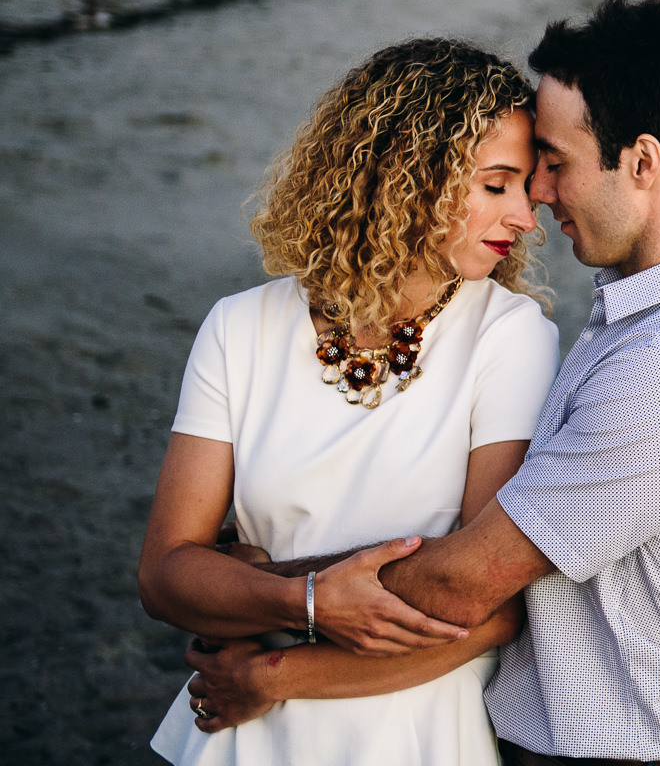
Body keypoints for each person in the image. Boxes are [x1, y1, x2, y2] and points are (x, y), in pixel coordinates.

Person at [185, 0, 660, 766]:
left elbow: (466, 588)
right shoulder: (651, 318)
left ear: (642, 163)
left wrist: (259, 594)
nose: (539, 194)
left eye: (556, 163)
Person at [138, 38, 561, 764]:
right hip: (236, 740)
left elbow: (492, 607)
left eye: (527, 187)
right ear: (409, 177)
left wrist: (266, 644)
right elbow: (165, 576)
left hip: (415, 734)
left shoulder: (511, 337)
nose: (526, 216)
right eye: (497, 186)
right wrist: (304, 602)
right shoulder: (241, 328)